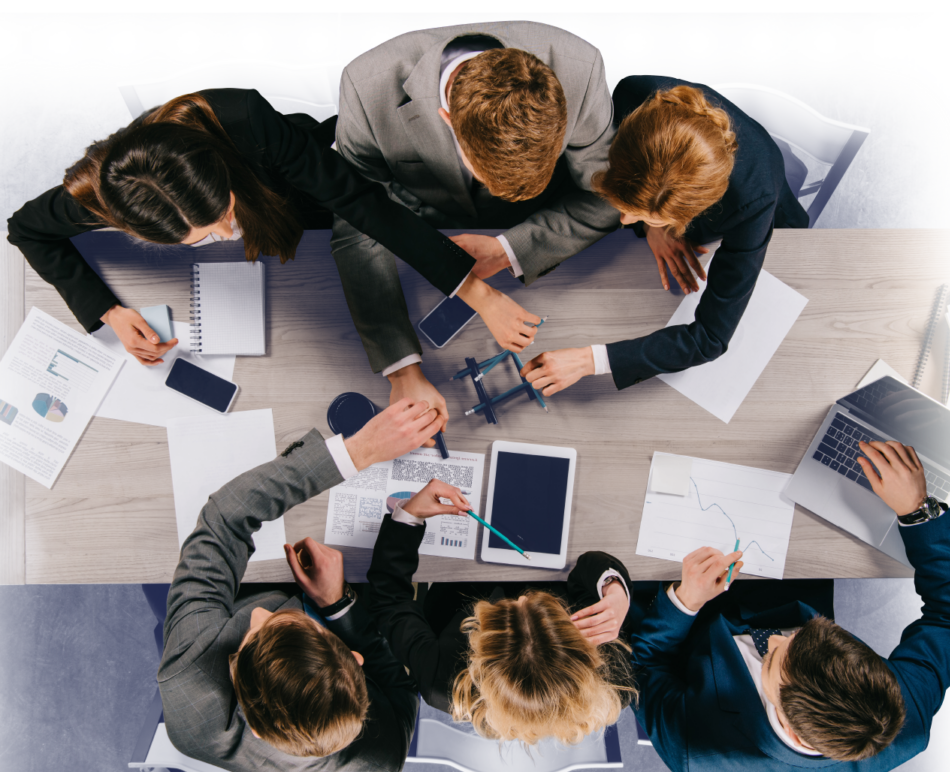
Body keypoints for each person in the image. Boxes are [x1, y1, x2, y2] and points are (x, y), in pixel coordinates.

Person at [6, 88, 533, 392]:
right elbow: (24, 229)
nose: (223, 235)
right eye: (201, 238)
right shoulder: (94, 199)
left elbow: (362, 204)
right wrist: (108, 312)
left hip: (300, 199)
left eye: (222, 214)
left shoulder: (246, 120)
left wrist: (477, 293)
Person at [331, 21, 621, 436]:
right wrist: (401, 370)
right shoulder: (366, 86)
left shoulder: (580, 69)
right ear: (446, 118)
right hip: (419, 229)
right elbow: (356, 221)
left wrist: (509, 248)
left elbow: (607, 193)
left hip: (541, 236)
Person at [632, 439, 950, 770]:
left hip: (678, 619)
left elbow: (644, 667)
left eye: (772, 660)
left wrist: (685, 602)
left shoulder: (699, 752)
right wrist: (917, 510)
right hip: (790, 578)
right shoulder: (903, 713)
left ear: (790, 727)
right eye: (802, 635)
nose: (776, 639)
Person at [157, 398, 443, 770]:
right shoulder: (380, 757)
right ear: (355, 661)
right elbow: (401, 689)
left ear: (257, 733)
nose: (258, 614)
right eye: (281, 621)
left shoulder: (188, 689)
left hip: (219, 602)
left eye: (251, 636)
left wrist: (358, 451)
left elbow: (223, 521)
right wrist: (336, 606)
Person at [521, 75, 810, 395]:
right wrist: (651, 226)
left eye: (642, 216)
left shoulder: (753, 206)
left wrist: (589, 361)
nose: (624, 220)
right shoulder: (634, 95)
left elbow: (711, 339)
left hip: (771, 219)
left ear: (687, 216)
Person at [366, 479, 636, 745]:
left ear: (480, 647)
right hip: (552, 565)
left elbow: (389, 600)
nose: (520, 597)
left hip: (459, 580)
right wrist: (615, 589)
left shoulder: (441, 682)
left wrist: (409, 516)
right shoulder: (611, 676)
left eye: (516, 606)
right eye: (531, 605)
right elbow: (587, 567)